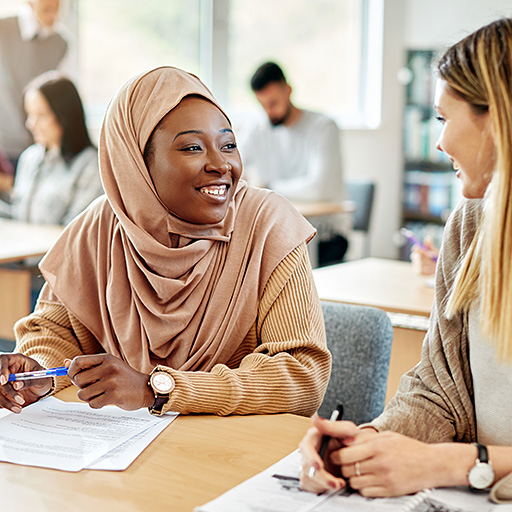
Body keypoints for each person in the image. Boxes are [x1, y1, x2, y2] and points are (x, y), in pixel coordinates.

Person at [0, 66, 331, 419]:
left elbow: (301, 376)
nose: (222, 165)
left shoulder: (267, 224)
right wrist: (42, 372)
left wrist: (157, 389)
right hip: (123, 458)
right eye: (192, 147)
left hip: (235, 454)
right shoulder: (102, 226)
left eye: (229, 144)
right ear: (137, 165)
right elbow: (53, 330)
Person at [298, 18, 512, 503]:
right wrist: (367, 443)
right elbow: (440, 391)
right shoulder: (471, 227)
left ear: (496, 119)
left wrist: (458, 462)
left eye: (443, 118)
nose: (439, 142)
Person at [240, 61, 349, 265]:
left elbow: (319, 189)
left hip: (326, 233)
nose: (269, 111)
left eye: (273, 103)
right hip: (281, 230)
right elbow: (233, 163)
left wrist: (269, 187)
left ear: (288, 90)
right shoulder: (259, 127)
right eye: (263, 105)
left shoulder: (323, 128)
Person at [0, 71, 102, 225]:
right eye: (29, 114)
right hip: (29, 249)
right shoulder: (30, 157)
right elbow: (19, 216)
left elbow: (77, 231)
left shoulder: (92, 165)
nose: (30, 124)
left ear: (65, 116)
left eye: (41, 115)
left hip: (57, 249)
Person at [0, 0, 69, 169]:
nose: (54, 16)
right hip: (5, 140)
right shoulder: (3, 30)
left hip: (38, 143)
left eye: (57, 9)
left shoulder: (60, 43)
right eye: (47, 9)